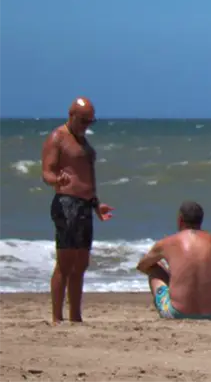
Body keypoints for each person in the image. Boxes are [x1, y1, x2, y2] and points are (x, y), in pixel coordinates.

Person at [40, 97, 114, 324]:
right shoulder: (58, 137)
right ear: (71, 115)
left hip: (85, 205)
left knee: (81, 263)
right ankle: (56, 317)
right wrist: (57, 180)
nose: (86, 126)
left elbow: (86, 176)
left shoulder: (82, 141)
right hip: (66, 204)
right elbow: (47, 172)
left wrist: (96, 204)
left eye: (90, 122)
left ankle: (75, 316)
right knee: (65, 262)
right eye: (83, 121)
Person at [136, 200, 211, 320]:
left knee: (153, 267)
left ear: (180, 220)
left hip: (178, 313)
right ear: (201, 221)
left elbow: (142, 266)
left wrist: (166, 273)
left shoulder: (168, 242)